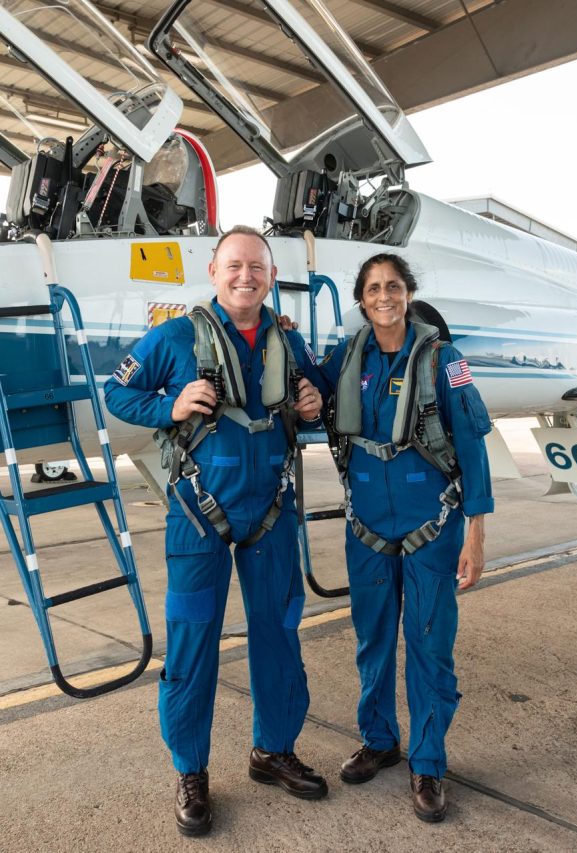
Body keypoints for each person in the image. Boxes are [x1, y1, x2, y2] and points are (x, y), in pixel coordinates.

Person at [104, 225, 327, 837]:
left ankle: (272, 749)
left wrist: (312, 402)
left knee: (279, 634)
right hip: (198, 515)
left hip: (272, 513)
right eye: (234, 265)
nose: (245, 276)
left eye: (256, 266)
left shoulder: (288, 339)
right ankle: (191, 771)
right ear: (214, 271)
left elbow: (319, 390)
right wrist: (169, 408)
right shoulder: (176, 336)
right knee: (194, 641)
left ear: (271, 275)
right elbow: (117, 391)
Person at [318, 253, 493, 823]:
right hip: (366, 527)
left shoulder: (447, 361)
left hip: (433, 528)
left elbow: (472, 447)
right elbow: (305, 387)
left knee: (429, 648)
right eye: (372, 289)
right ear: (362, 299)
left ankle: (428, 763)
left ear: (408, 293)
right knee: (372, 642)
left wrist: (476, 533)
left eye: (392, 286)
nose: (383, 296)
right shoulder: (347, 358)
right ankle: (379, 740)